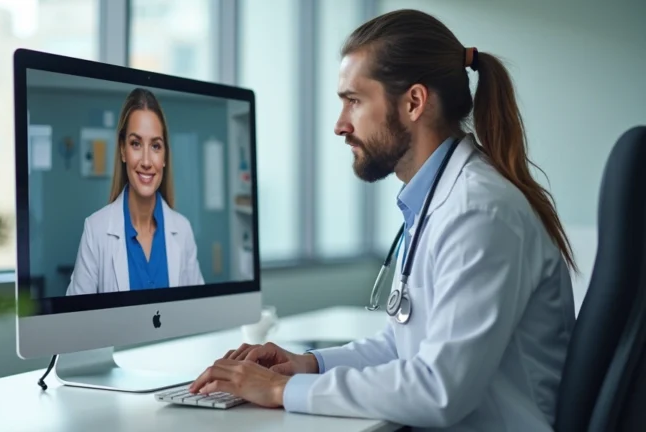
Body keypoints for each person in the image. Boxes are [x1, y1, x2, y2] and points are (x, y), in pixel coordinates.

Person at [188, 9, 576, 431]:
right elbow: (405, 346)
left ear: (413, 102)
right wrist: (305, 364)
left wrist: (280, 391)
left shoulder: (479, 212)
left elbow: (438, 389)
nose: (339, 125)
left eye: (353, 101)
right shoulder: (436, 199)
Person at [66, 88, 204, 295]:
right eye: (136, 144)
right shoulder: (95, 231)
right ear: (123, 150)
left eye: (156, 146)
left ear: (165, 156)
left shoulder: (182, 230)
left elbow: (198, 312)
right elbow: (74, 321)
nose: (147, 161)